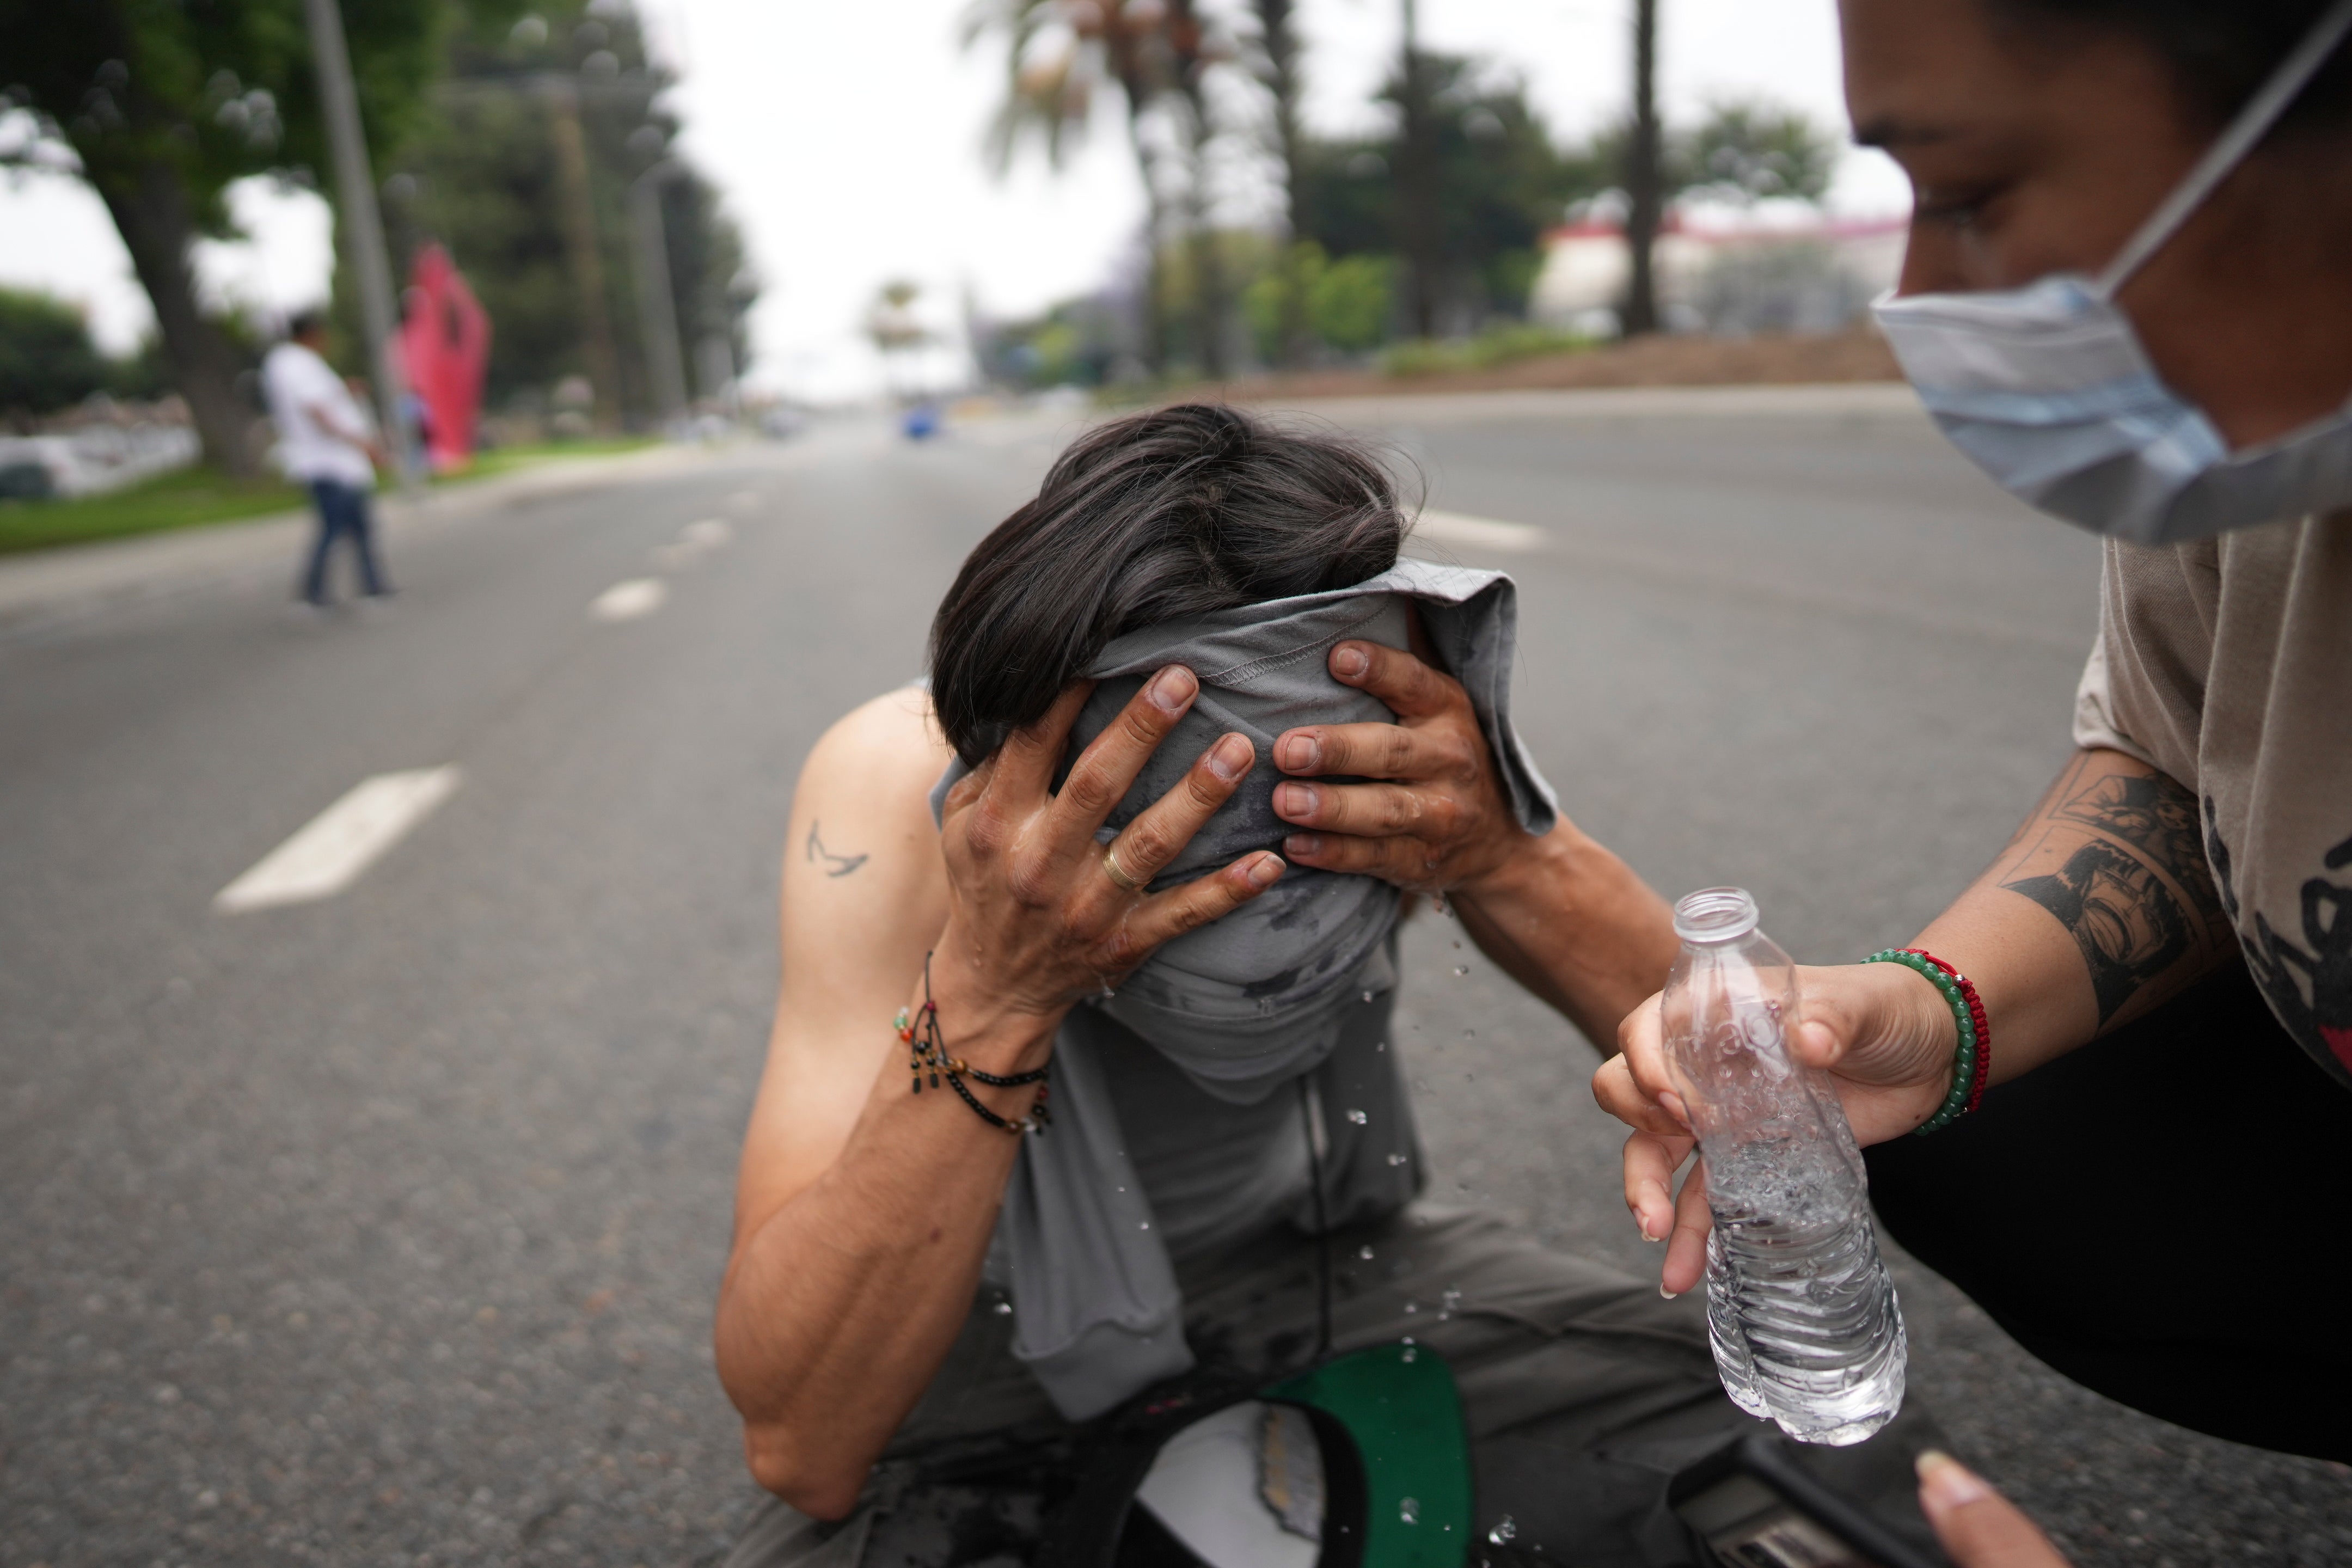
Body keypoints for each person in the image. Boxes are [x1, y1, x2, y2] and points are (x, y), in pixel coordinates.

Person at [714, 404, 1945, 1568]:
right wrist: (991, 987)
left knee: (1846, 1463)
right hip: (976, 1327)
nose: (1261, 898)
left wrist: (1500, 847)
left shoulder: (1377, 706)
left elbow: (1745, 1089)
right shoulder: (904, 796)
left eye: (1293, 840)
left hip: (1324, 1262)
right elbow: (804, 1440)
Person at [1597, 0, 2352, 1468]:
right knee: (1954, 1133)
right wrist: (1930, 1012)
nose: (1926, 290)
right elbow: (2181, 764)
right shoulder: (2258, 457)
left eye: (1968, 193)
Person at [261, 310, 393, 609]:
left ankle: (370, 588)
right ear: (314, 333)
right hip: (329, 463)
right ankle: (315, 595)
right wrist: (362, 443)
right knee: (336, 529)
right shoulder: (295, 363)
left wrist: (343, 391)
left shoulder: (292, 363)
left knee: (355, 528)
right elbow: (316, 410)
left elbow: (319, 400)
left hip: (334, 462)